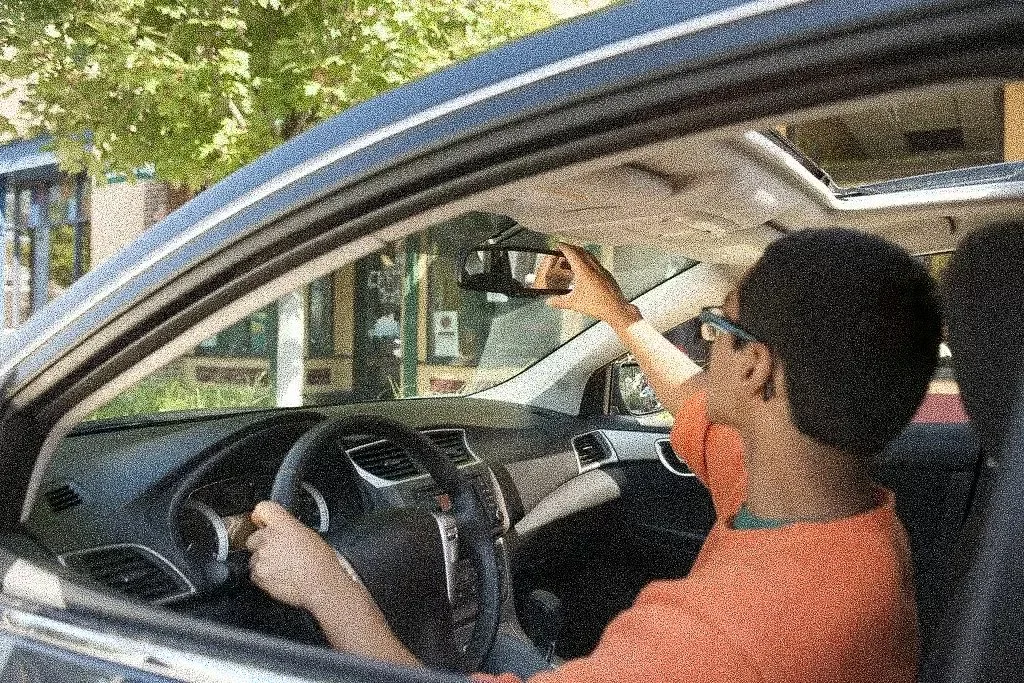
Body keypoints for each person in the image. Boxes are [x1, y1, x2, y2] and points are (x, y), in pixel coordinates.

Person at [247, 228, 941, 682]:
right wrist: (619, 315)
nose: (705, 343)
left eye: (718, 324)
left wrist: (330, 584)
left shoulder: (713, 641)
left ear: (757, 368)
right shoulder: (852, 523)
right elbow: (694, 399)